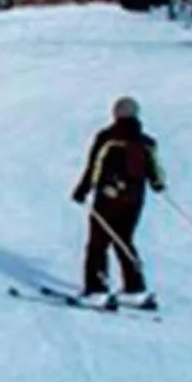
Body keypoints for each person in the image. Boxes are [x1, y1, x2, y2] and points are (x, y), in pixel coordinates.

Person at [70, 95, 166, 304]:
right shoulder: (146, 141)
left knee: (98, 243)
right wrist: (157, 184)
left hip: (109, 197)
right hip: (135, 199)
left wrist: (83, 189)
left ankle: (97, 289)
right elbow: (155, 171)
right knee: (124, 240)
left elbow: (95, 166)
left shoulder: (108, 138)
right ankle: (135, 287)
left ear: (115, 114)